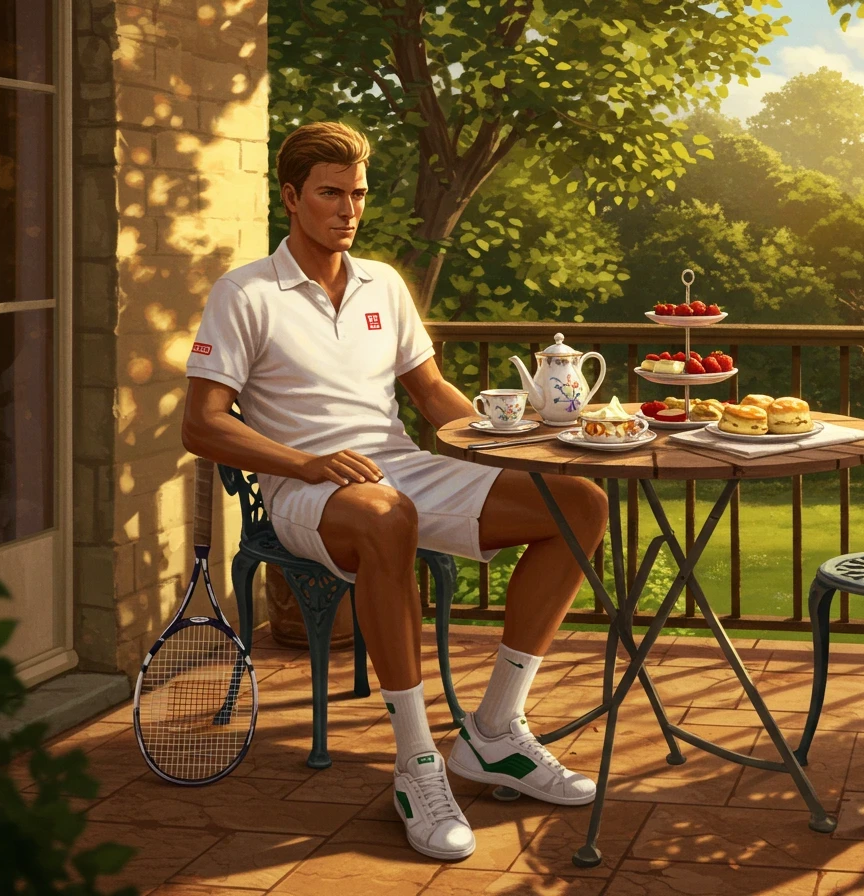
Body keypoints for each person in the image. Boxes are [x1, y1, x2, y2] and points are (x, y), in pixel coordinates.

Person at [181, 121, 609, 861]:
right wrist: (306, 464)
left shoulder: (384, 282)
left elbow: (432, 390)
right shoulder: (245, 293)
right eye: (330, 194)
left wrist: (505, 443)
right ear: (291, 197)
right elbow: (201, 425)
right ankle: (416, 766)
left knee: (578, 503)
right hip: (303, 490)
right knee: (387, 515)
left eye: (358, 194)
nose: (348, 209)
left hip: (398, 467)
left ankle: (494, 734)